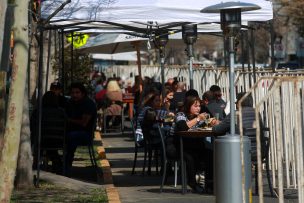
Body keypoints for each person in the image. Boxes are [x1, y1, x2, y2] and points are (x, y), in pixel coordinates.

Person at [167, 93, 208, 193]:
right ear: (188, 106)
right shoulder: (180, 115)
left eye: (199, 106)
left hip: (187, 145)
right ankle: (192, 182)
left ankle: (209, 183)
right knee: (189, 157)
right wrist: (198, 119)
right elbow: (182, 127)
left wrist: (211, 121)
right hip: (174, 146)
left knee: (209, 153)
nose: (198, 108)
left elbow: (205, 124)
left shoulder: (195, 116)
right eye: (195, 106)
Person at [65, 82, 97, 175]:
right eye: (72, 93)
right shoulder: (70, 103)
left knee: (71, 137)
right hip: (71, 131)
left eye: (77, 92)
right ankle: (60, 163)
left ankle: (67, 165)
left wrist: (69, 120)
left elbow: (84, 123)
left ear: (83, 93)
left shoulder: (88, 104)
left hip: (85, 134)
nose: (74, 95)